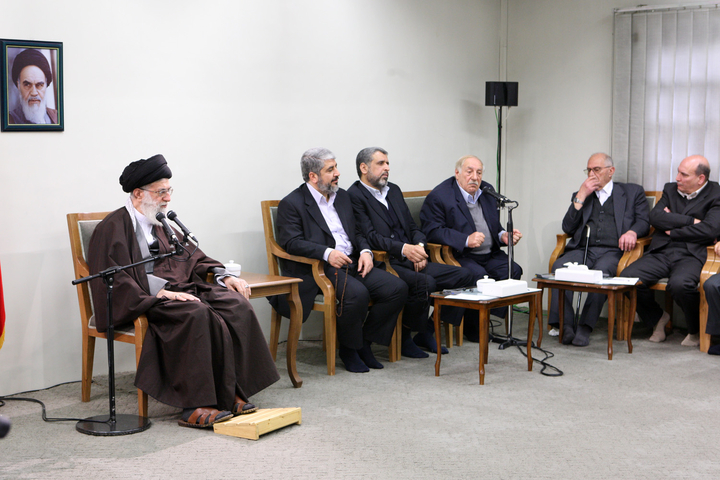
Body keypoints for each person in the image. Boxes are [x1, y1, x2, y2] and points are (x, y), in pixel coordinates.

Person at [88, 154, 279, 429]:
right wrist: (161, 293)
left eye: (169, 191)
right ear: (138, 193)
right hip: (146, 299)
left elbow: (193, 257)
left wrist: (224, 276)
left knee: (236, 305)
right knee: (196, 313)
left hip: (182, 289)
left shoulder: (161, 222)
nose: (167, 198)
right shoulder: (112, 227)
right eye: (161, 192)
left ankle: (231, 391)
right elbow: (111, 277)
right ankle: (194, 404)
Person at [271, 147, 407, 373]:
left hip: (353, 261)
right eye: (330, 169)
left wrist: (366, 251)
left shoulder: (342, 196)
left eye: (336, 167)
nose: (338, 173)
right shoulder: (292, 203)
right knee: (356, 293)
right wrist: (327, 253)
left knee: (396, 288)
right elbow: (292, 242)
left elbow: (358, 232)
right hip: (322, 267)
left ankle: (365, 343)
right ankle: (349, 349)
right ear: (313, 176)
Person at [348, 147, 474, 358]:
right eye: (381, 163)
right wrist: (405, 250)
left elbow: (413, 227)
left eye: (388, 163)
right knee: (425, 283)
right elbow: (370, 236)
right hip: (386, 262)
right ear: (364, 168)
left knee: (465, 276)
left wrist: (420, 248)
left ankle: (427, 330)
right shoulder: (354, 195)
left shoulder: (394, 190)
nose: (387, 168)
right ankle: (405, 336)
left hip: (411, 256)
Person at [548, 153, 650, 346]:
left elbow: (644, 221)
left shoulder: (632, 192)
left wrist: (632, 232)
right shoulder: (582, 195)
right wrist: (580, 196)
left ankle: (585, 327)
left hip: (613, 251)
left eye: (596, 169)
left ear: (611, 171)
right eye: (588, 170)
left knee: (601, 274)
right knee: (559, 268)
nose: (591, 174)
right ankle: (566, 325)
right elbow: (568, 227)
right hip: (583, 249)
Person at [420, 155, 523, 341]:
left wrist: (503, 236)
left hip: (490, 254)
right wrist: (465, 240)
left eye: (479, 173)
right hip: (461, 254)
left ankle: (484, 316)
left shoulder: (487, 191)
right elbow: (432, 231)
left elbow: (492, 225)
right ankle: (473, 328)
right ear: (457, 173)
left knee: (513, 270)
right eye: (469, 172)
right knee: (479, 277)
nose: (475, 177)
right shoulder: (440, 196)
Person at [621, 155, 720, 346]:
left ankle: (694, 329)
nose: (677, 178)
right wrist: (691, 221)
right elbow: (655, 217)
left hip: (692, 254)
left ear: (700, 179)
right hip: (662, 250)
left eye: (684, 175)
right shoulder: (670, 189)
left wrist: (673, 229)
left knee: (680, 285)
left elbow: (710, 230)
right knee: (627, 279)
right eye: (678, 172)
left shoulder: (716, 194)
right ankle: (657, 318)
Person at [8, 49, 58, 125]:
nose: (34, 93)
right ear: (18, 85)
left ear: (46, 85)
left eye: (39, 85)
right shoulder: (8, 121)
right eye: (27, 85)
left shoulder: (57, 117)